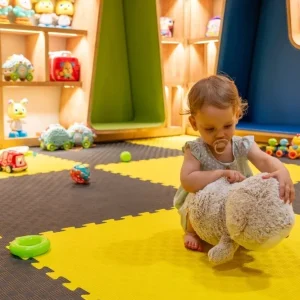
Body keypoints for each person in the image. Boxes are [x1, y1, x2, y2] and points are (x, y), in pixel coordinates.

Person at [174, 74, 295, 252]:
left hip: (238, 202)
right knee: (195, 204)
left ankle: (266, 227)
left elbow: (264, 160)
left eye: (227, 126)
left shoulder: (242, 145)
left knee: (262, 195)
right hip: (206, 206)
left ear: (237, 115)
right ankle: (191, 232)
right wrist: (220, 174)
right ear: (194, 123)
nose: (220, 134)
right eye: (210, 129)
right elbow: (188, 181)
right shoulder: (195, 150)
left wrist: (282, 171)